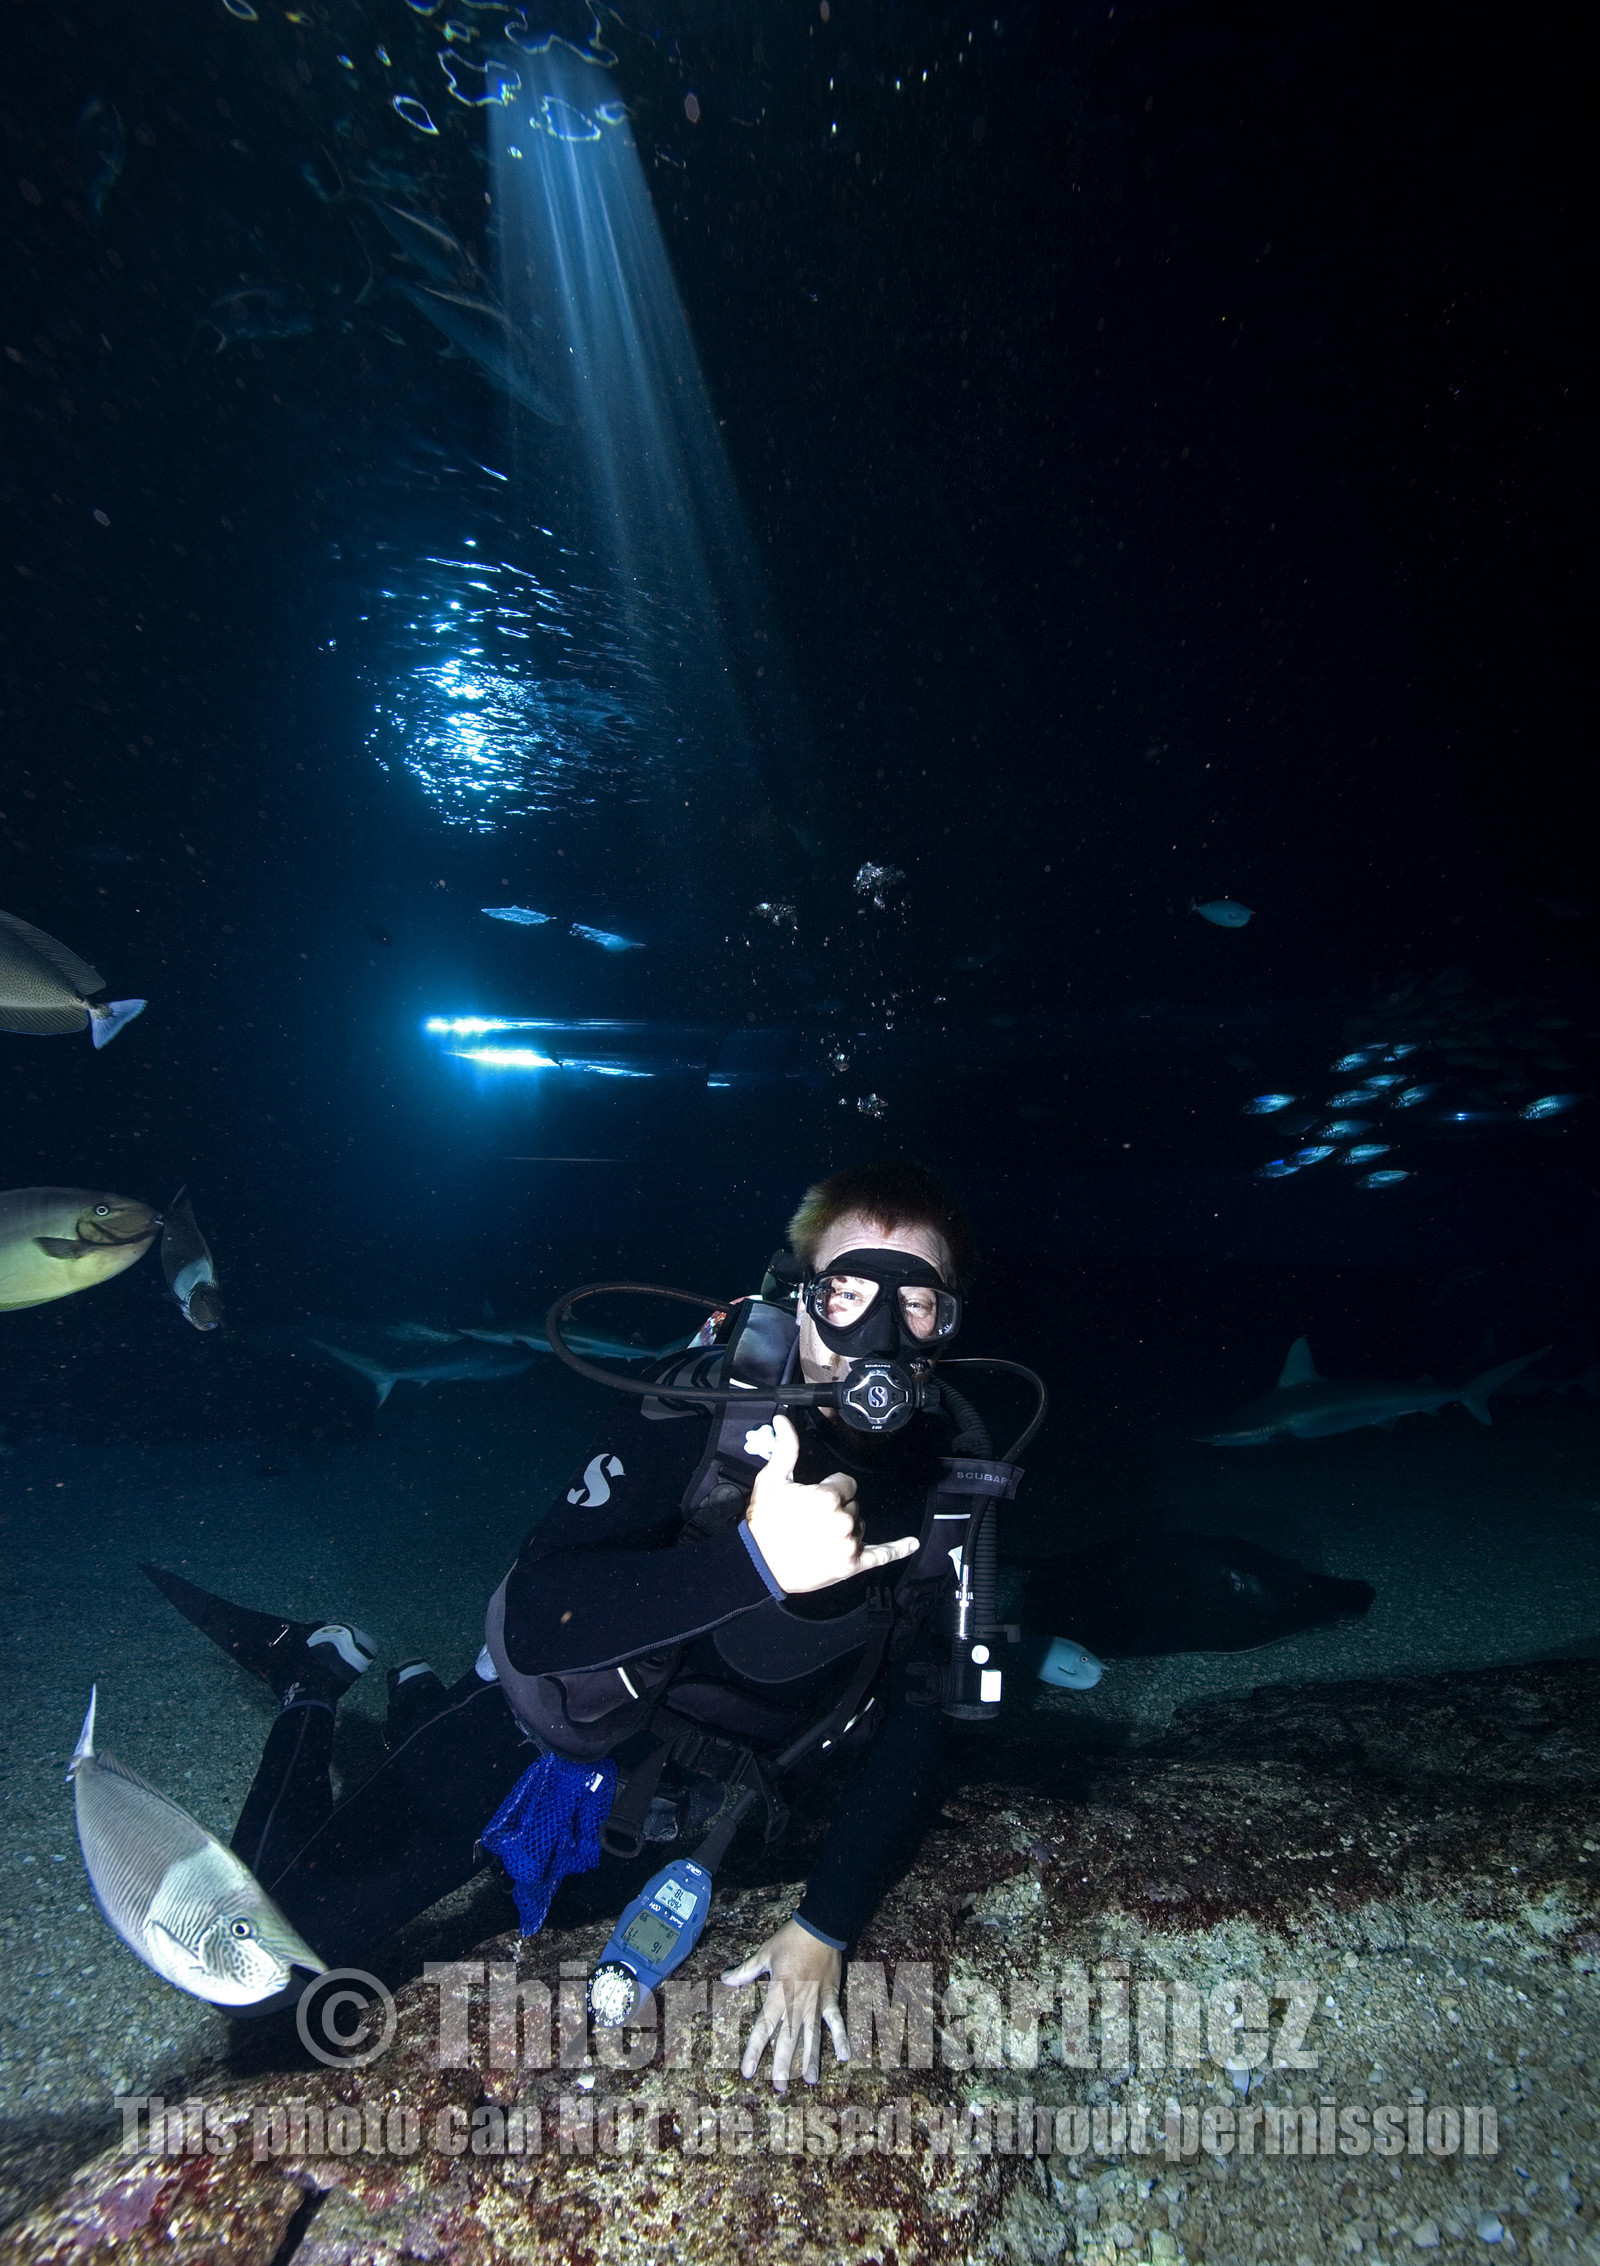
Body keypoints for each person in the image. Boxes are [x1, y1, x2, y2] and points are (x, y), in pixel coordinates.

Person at [146, 1161, 994, 2092]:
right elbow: (548, 1617)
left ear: (949, 1323)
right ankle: (309, 1682)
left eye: (915, 1302)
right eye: (846, 1292)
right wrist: (749, 1564)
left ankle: (410, 1695)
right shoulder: (706, 1406)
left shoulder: (955, 1471)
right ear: (798, 1299)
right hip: (551, 1739)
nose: (875, 1331)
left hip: (712, 1808)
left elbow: (924, 1704)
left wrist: (827, 1921)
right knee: (259, 1976)